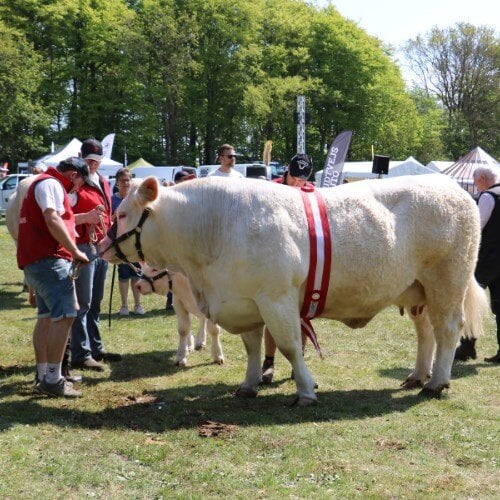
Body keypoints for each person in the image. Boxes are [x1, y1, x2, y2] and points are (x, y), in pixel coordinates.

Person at [16, 157, 90, 397]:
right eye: (79, 182)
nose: (78, 188)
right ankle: (52, 380)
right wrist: (76, 250)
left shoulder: (43, 183)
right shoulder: (52, 184)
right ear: (73, 175)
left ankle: (43, 374)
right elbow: (52, 217)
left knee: (47, 317)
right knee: (68, 313)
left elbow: (54, 219)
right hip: (50, 260)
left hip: (37, 261)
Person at [261, 153, 315, 384]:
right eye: (294, 178)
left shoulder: (310, 192)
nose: (297, 184)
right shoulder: (270, 190)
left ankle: (299, 364)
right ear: (286, 172)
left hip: (302, 261)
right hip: (272, 261)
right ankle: (269, 362)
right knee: (271, 315)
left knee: (302, 314)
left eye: (302, 180)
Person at [70, 138, 121, 371]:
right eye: (89, 160)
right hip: (82, 246)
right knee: (83, 302)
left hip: (101, 247)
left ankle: (96, 348)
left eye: (97, 161)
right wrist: (86, 218)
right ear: (82, 157)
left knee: (96, 301)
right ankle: (81, 353)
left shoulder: (102, 181)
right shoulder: (75, 182)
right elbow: (64, 217)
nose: (93, 165)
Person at [455, 166, 500, 363]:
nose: (475, 185)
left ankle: (467, 347)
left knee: (469, 301)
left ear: (482, 178)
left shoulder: (488, 197)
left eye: (476, 181)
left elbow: (477, 226)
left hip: (485, 260)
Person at [111, 168, 145, 316]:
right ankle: (124, 306)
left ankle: (138, 305)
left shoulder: (135, 198)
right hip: (120, 243)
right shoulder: (113, 199)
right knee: (123, 274)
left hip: (136, 243)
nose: (126, 182)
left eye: (128, 179)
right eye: (123, 180)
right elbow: (109, 220)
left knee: (136, 273)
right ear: (117, 183)